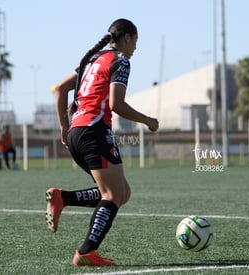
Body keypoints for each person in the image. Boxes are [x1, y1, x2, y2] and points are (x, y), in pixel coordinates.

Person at [46, 18, 159, 266]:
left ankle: (62, 198)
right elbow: (116, 104)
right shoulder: (120, 60)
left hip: (77, 132)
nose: (136, 48)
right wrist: (148, 120)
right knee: (112, 193)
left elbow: (60, 89)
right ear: (127, 38)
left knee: (122, 192)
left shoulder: (92, 60)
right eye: (136, 41)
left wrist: (65, 126)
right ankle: (86, 252)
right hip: (94, 132)